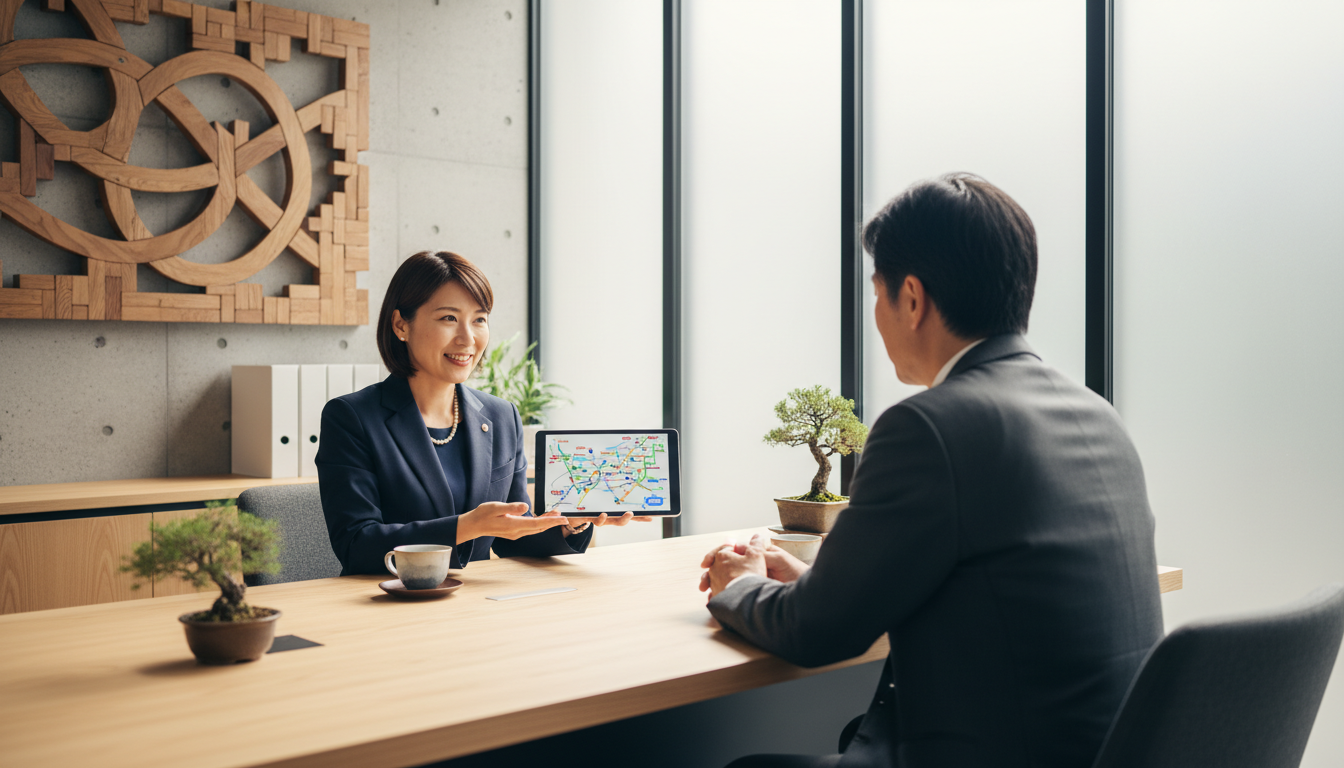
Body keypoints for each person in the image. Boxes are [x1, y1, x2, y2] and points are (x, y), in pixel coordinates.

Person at [700, 174, 1164, 768]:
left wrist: (737, 585)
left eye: (878, 292)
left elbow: (816, 636)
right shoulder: (1096, 415)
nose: (876, 313)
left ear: (912, 299)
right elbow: (987, 594)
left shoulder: (930, 427)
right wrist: (815, 584)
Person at [318, 251, 648, 574]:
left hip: (477, 609)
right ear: (401, 324)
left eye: (479, 320)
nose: (468, 338)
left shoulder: (501, 416)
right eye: (449, 318)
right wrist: (466, 527)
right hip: (386, 607)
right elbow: (356, 544)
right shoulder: (351, 418)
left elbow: (513, 540)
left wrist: (571, 522)